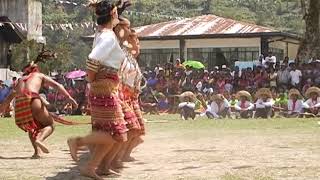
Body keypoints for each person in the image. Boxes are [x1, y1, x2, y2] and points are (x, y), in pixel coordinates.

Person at [67, 1, 128, 179]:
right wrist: (92, 79)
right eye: (117, 13)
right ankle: (78, 142)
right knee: (115, 133)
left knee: (115, 134)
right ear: (113, 14)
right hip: (104, 86)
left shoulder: (103, 33)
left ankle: (97, 167)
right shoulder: (108, 36)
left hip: (105, 85)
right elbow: (93, 59)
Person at [0, 52, 78, 159]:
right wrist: (69, 97)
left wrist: (3, 108)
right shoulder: (39, 75)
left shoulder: (21, 79)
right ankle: (39, 140)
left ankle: (37, 152)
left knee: (32, 127)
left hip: (20, 102)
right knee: (50, 124)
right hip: (33, 98)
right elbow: (57, 85)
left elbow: (12, 94)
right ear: (36, 69)